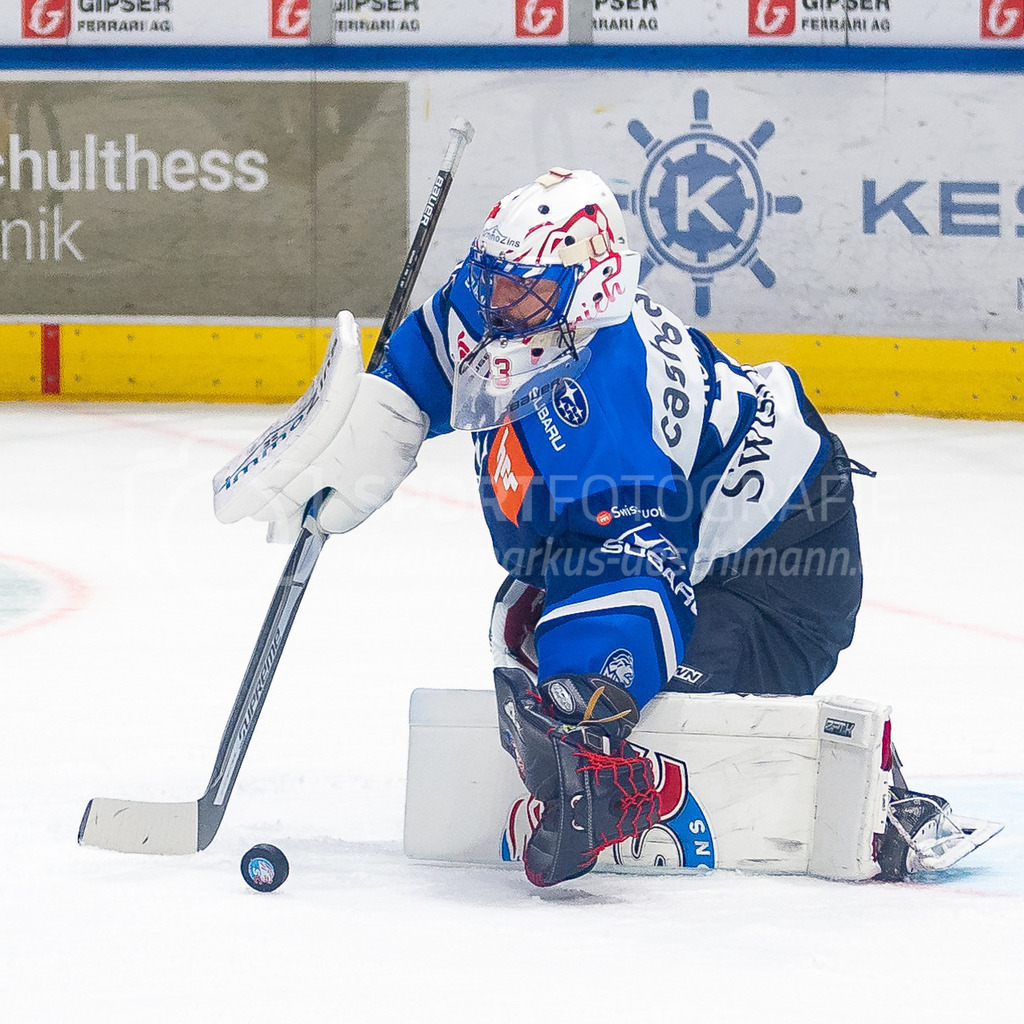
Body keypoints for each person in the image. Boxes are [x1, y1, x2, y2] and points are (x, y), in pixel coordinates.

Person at [213, 167, 983, 887]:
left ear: (591, 290)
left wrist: (588, 709)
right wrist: (383, 415)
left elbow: (637, 573)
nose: (495, 303)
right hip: (709, 524)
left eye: (522, 291)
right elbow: (435, 344)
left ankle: (874, 797)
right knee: (524, 621)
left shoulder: (613, 415)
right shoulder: (517, 300)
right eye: (493, 279)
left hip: (781, 579)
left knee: (613, 692)